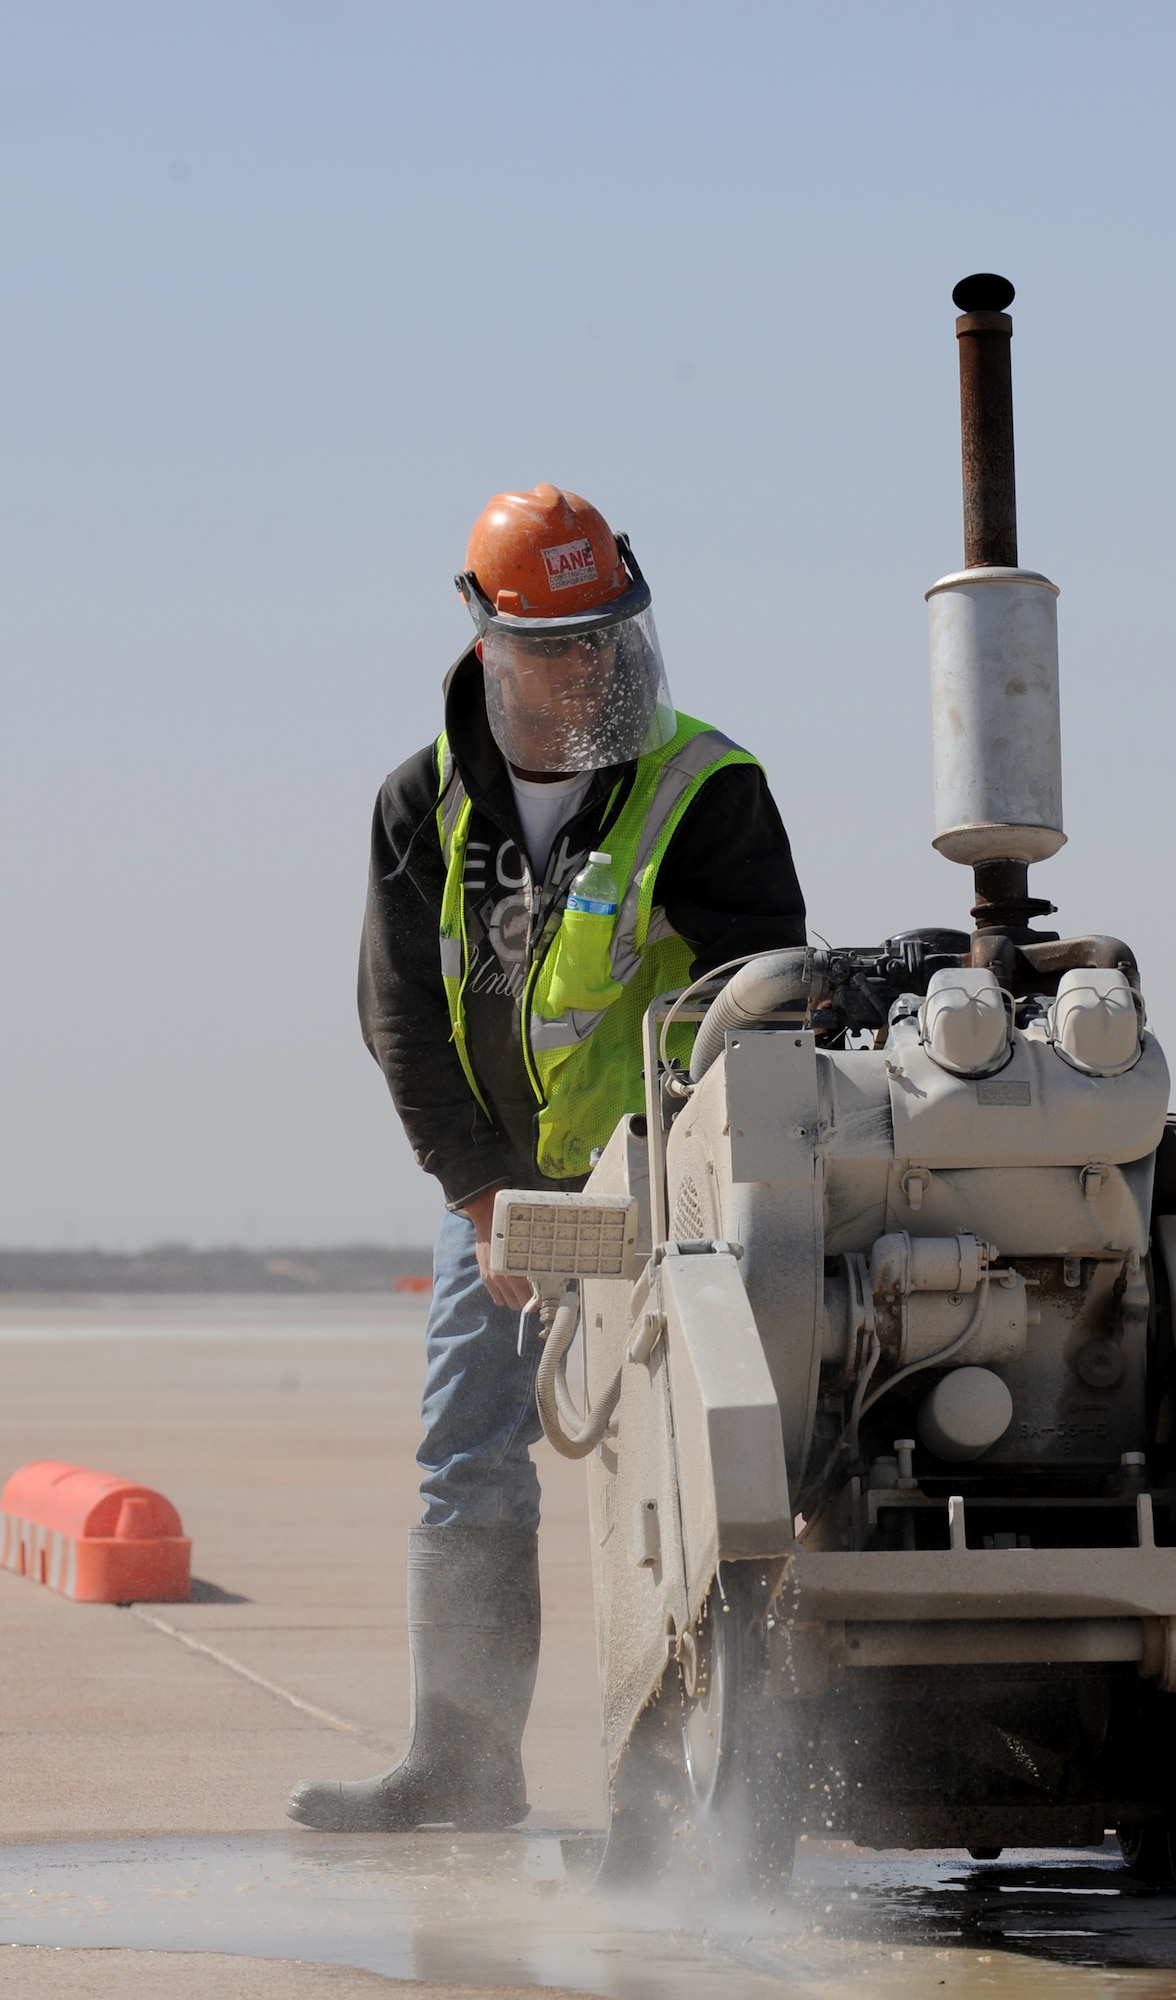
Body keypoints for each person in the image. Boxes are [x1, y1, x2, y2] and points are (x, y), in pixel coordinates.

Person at [287, 486, 806, 1831]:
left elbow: (767, 1000)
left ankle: (727, 1773)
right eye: (568, 642)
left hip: (675, 1180)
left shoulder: (705, 788)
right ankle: (459, 1769)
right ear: (490, 644)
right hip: (507, 1191)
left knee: (726, 1452)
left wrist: (684, 1174)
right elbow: (398, 1013)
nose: (601, 665)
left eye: (616, 634)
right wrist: (476, 1198)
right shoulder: (422, 806)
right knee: (465, 1458)